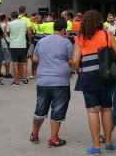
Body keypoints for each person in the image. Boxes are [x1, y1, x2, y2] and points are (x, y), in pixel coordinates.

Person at [73, 10, 116, 155]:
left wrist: (77, 69)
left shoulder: (80, 38)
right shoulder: (107, 34)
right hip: (105, 77)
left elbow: (76, 61)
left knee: (92, 111)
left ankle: (96, 147)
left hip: (88, 78)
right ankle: (109, 143)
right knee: (107, 109)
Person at [29, 18, 73, 147]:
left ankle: (34, 134)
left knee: (40, 109)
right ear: (64, 30)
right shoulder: (66, 43)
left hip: (43, 80)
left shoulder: (41, 41)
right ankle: (53, 138)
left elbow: (35, 58)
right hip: (60, 81)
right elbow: (71, 60)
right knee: (58, 110)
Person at [8, 10, 31, 85]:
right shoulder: (24, 22)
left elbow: (7, 33)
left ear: (11, 16)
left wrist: (10, 39)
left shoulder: (10, 23)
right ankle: (25, 79)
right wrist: (29, 41)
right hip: (22, 44)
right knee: (23, 62)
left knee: (15, 63)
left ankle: (16, 81)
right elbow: (28, 32)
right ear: (18, 16)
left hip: (13, 45)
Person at [0, 13, 13, 79]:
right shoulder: (6, 25)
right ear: (4, 18)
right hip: (5, 43)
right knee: (7, 59)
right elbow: (7, 34)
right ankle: (7, 73)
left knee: (0, 59)